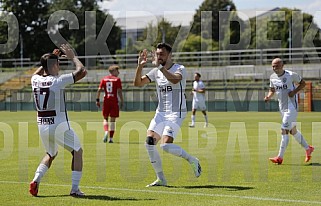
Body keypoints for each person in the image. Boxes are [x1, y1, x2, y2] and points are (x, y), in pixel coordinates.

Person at [133, 43, 202, 187]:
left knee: (165, 145)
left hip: (176, 112)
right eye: (157, 54)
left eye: (162, 54)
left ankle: (192, 160)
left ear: (170, 55)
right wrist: (140, 66)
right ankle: (161, 179)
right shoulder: (155, 71)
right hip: (161, 113)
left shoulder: (180, 68)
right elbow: (138, 83)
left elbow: (175, 80)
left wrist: (159, 67)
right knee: (149, 142)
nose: (159, 57)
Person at [29, 44, 87, 197]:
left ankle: (36, 179)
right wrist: (72, 56)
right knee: (77, 152)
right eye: (58, 63)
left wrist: (48, 60)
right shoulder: (58, 80)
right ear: (54, 65)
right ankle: (75, 188)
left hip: (42, 125)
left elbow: (38, 72)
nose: (60, 67)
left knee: (50, 153)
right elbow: (82, 71)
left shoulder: (34, 80)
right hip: (59, 124)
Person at [264, 58, 314, 165]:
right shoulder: (272, 77)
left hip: (292, 107)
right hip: (282, 107)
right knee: (292, 131)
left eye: (276, 66)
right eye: (273, 66)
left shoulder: (291, 75)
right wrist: (268, 97)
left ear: (282, 66)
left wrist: (294, 92)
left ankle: (280, 157)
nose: (274, 68)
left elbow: (303, 83)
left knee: (284, 130)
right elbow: (272, 89)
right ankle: (308, 148)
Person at [96, 65, 123, 143]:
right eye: (117, 71)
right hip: (114, 101)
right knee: (113, 120)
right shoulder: (117, 80)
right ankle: (111, 138)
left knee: (105, 118)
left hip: (106, 100)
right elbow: (119, 91)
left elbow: (99, 90)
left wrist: (97, 100)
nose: (118, 72)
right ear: (113, 71)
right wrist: (122, 101)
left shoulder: (104, 79)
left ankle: (106, 131)